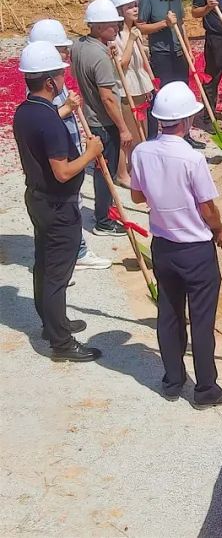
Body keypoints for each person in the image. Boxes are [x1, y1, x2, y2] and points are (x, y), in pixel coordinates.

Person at [129, 81, 222, 407]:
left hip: (163, 246)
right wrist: (218, 229)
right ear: (186, 120)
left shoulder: (142, 151)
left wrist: (161, 195)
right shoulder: (192, 158)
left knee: (169, 314)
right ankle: (205, 389)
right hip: (195, 250)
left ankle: (172, 380)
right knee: (201, 321)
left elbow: (137, 196)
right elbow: (207, 207)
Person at [13, 41, 105, 361]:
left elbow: (46, 124)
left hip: (38, 199)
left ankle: (53, 323)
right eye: (60, 75)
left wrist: (65, 109)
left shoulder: (27, 111)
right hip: (57, 205)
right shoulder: (50, 121)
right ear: (51, 81)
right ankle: (61, 343)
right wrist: (91, 153)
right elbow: (63, 172)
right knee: (57, 274)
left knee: (44, 264)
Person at [27, 20, 111, 271]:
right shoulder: (41, 86)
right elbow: (44, 120)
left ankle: (72, 252)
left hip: (66, 150)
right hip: (57, 159)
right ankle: (73, 255)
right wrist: (67, 108)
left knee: (74, 204)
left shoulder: (53, 80)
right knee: (69, 208)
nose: (66, 54)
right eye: (62, 49)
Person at [71, 0, 131, 237]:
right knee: (105, 171)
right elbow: (108, 98)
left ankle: (104, 210)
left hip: (91, 118)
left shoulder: (80, 46)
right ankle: (103, 221)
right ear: (96, 27)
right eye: (111, 25)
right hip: (104, 122)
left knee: (100, 168)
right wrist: (123, 128)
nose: (116, 28)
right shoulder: (99, 57)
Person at [137, 0, 204, 149]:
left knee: (181, 93)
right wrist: (163, 23)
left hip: (178, 52)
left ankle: (185, 134)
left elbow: (181, 25)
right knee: (163, 95)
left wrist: (188, 49)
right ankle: (159, 136)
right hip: (161, 54)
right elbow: (140, 27)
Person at [108, 0, 156, 185]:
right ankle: (122, 173)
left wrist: (150, 80)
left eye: (135, 5)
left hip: (139, 86)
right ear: (119, 11)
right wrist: (132, 41)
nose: (135, 9)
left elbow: (140, 59)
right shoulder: (115, 36)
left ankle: (134, 167)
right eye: (130, 7)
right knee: (128, 134)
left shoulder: (132, 30)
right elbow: (122, 64)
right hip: (126, 88)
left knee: (141, 131)